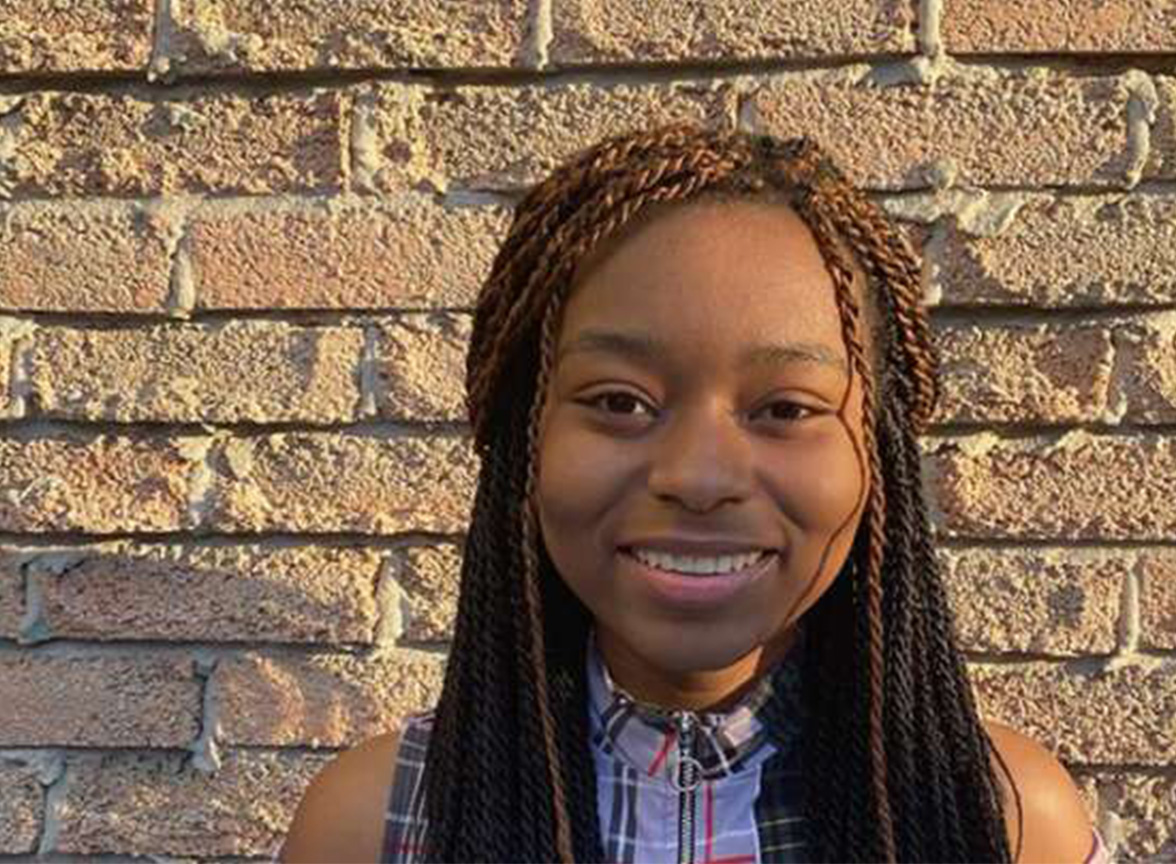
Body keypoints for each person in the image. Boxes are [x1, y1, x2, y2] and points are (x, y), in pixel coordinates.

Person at [278, 123, 1107, 863]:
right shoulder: (377, 827)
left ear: (877, 455)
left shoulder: (1006, 825)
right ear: (522, 440)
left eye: (785, 409)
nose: (700, 477)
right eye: (619, 402)